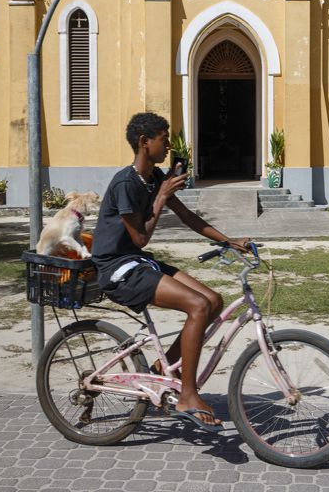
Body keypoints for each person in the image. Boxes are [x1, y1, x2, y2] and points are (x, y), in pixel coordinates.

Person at [91, 111, 250, 433]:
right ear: (144, 142)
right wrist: (161, 196)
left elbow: (188, 216)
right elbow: (140, 236)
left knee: (213, 300)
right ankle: (187, 396)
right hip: (116, 268)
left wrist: (228, 240)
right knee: (198, 305)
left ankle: (166, 370)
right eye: (164, 139)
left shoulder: (154, 177)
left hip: (136, 261)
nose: (168, 146)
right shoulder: (125, 183)